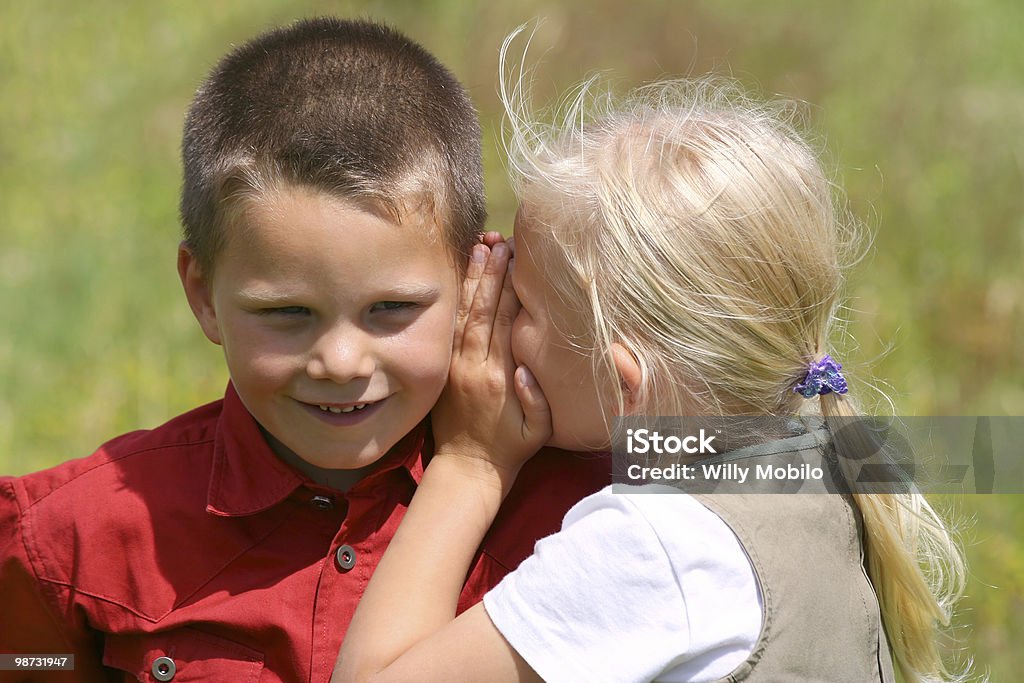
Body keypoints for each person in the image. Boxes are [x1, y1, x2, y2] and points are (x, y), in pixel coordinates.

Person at [0, 18, 609, 681]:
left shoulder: (602, 498)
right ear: (203, 293)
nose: (341, 361)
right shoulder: (66, 536)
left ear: (472, 282)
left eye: (392, 308)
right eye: (287, 312)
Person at [331, 55, 969, 683]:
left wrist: (469, 464)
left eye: (518, 300)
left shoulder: (654, 549)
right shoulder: (824, 469)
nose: (487, 313)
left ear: (621, 383)